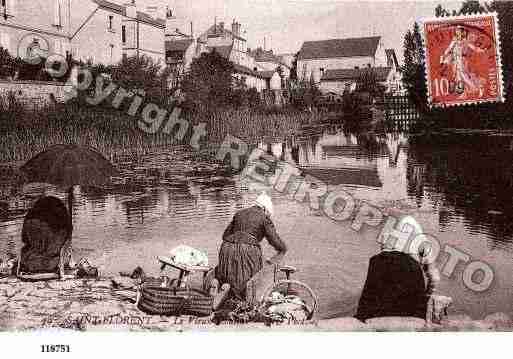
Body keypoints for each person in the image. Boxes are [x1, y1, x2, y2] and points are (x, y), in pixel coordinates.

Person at [355, 216, 440, 322]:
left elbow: (385, 255)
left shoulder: (388, 233)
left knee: (369, 311)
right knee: (413, 313)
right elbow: (434, 278)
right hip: (409, 266)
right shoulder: (424, 242)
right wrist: (426, 296)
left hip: (381, 262)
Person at [215, 192, 287, 301]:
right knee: (248, 279)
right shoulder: (264, 218)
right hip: (247, 250)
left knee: (229, 276)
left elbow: (225, 235)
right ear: (266, 209)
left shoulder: (239, 213)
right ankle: (244, 301)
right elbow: (275, 241)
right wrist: (283, 249)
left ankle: (224, 291)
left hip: (227, 247)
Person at [18, 196, 73, 277]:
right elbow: (65, 244)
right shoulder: (61, 226)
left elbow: (24, 240)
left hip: (29, 263)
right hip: (52, 265)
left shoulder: (30, 220)